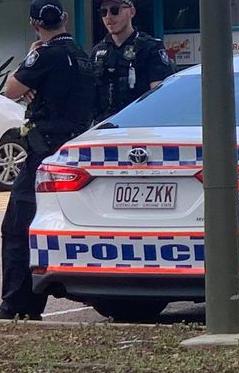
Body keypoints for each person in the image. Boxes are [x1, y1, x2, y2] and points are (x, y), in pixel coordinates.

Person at [1, 0, 95, 320]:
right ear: (65, 18)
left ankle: (17, 305)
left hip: (43, 152)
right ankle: (33, 302)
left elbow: (12, 89)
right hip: (73, 150)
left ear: (34, 24)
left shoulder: (45, 54)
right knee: (46, 227)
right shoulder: (83, 56)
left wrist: (31, 60)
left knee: (16, 228)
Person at [93, 0, 175, 122]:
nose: (108, 17)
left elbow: (160, 95)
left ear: (131, 12)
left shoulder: (150, 48)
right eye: (104, 12)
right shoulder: (98, 52)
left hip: (139, 125)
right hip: (104, 127)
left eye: (115, 10)